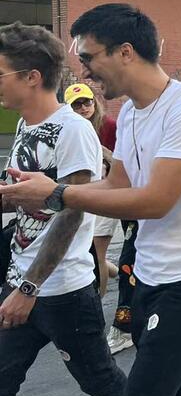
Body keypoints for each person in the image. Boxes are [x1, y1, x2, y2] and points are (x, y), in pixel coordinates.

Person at [0, 5, 181, 396]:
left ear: (124, 52)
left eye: (89, 57)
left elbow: (154, 200)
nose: (82, 71)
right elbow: (117, 185)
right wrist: (49, 193)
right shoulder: (131, 110)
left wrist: (58, 195)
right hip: (151, 272)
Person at [0, 23, 137, 396]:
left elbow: (74, 211)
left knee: (100, 380)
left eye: (0, 72)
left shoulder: (73, 129)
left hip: (60, 291)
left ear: (31, 76)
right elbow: (33, 202)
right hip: (24, 281)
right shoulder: (26, 126)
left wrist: (28, 289)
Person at [64, 82, 119, 296]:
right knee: (85, 252)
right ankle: (110, 269)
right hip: (79, 197)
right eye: (76, 105)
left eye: (87, 102)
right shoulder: (68, 130)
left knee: (96, 251)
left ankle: (98, 304)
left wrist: (104, 153)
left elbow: (125, 166)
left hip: (106, 196)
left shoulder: (109, 126)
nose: (84, 108)